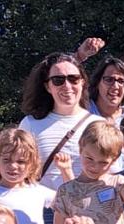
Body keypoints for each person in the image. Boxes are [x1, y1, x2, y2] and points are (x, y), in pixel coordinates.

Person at [19, 51, 99, 190]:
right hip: (43, 203)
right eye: (58, 80)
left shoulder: (99, 125)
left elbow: (110, 173)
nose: (67, 86)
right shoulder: (30, 124)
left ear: (82, 82)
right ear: (47, 87)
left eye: (73, 78)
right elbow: (18, 171)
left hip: (87, 202)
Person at [87, 53, 124, 124]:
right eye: (109, 80)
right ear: (97, 83)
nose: (115, 86)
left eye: (121, 81)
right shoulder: (81, 112)